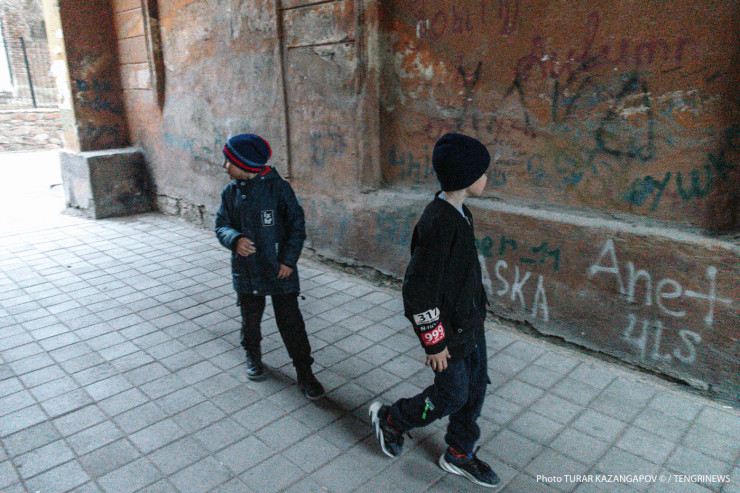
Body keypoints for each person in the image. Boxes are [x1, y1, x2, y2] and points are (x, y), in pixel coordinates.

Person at [369, 133, 499, 488]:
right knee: (452, 394)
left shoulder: (460, 213)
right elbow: (418, 291)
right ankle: (393, 419)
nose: (486, 177)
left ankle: (459, 451)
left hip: (470, 325)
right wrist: (435, 342)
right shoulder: (438, 223)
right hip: (448, 334)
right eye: (483, 172)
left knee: (475, 389)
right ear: (466, 178)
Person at [215, 133, 325, 400]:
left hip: (279, 270)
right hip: (247, 271)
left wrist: (288, 260)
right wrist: (234, 239)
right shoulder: (230, 192)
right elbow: (221, 225)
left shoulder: (279, 189)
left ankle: (304, 372)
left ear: (245, 164)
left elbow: (296, 227)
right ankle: (252, 355)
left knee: (291, 323)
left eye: (228, 161)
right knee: (250, 320)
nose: (224, 166)